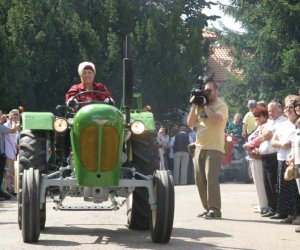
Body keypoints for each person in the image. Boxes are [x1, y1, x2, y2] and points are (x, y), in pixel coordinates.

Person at [187, 81, 228, 219]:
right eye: (205, 91)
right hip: (199, 147)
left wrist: (204, 105)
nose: (207, 93)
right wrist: (194, 105)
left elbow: (216, 120)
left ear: (217, 91)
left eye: (209, 91)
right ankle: (207, 208)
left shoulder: (221, 106)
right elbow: (191, 123)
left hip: (214, 148)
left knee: (211, 179)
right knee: (200, 180)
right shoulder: (200, 106)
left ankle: (215, 210)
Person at [271, 95, 300, 225]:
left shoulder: (297, 124)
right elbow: (273, 141)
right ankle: (290, 214)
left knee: (295, 190)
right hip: (283, 159)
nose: (288, 110)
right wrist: (282, 144)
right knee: (285, 190)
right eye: (286, 107)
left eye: (291, 107)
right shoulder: (282, 124)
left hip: (294, 160)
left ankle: (298, 215)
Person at [243, 107, 269, 214]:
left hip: (259, 158)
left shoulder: (265, 127)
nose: (256, 118)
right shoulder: (258, 127)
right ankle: (261, 204)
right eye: (255, 116)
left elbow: (260, 140)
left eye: (259, 116)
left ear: (265, 116)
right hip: (253, 157)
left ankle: (265, 205)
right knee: (257, 182)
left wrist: (248, 145)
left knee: (261, 182)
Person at [3, 109, 20, 194]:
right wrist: (13, 122)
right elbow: (12, 132)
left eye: (18, 115)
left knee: (11, 172)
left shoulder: (15, 126)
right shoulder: (6, 125)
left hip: (12, 152)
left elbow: (14, 141)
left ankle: (10, 188)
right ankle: (8, 189)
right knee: (8, 172)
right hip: (7, 152)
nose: (17, 117)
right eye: (16, 115)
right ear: (11, 116)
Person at [0, 119, 17, 200]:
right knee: (4, 174)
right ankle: (5, 192)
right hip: (2, 155)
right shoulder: (1, 127)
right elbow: (13, 130)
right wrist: (13, 122)